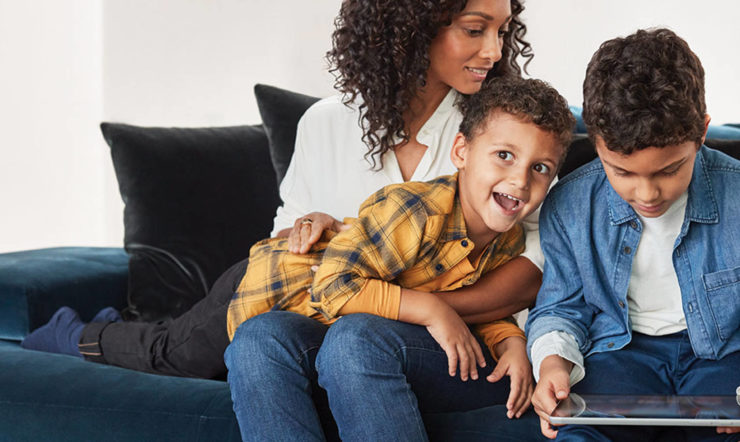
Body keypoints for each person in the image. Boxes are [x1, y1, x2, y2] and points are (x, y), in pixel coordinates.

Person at [22, 0, 544, 381]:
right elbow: (285, 242)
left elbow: (532, 267)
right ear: (410, 28)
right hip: (284, 292)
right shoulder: (326, 123)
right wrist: (313, 223)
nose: (494, 51)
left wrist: (419, 306)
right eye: (476, 30)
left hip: (362, 328)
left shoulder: (500, 135)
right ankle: (72, 332)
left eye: (502, 30)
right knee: (171, 355)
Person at [226, 76, 575, 442]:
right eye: (504, 156)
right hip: (308, 309)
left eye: (540, 168)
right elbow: (332, 284)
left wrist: (511, 342)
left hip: (378, 343)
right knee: (257, 337)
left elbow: (483, 304)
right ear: (461, 152)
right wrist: (433, 310)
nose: (520, 180)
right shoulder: (414, 211)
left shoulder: (509, 240)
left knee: (355, 338)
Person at [526, 28, 740, 441]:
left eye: (668, 170)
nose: (646, 194)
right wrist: (552, 363)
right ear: (595, 140)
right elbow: (561, 307)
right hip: (620, 354)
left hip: (725, 358)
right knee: (579, 434)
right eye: (621, 172)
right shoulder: (570, 205)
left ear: (701, 135)